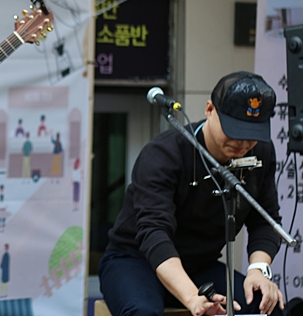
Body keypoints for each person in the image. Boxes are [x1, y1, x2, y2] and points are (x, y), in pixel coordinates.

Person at [98, 72, 284, 316]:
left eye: (252, 135)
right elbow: (154, 233)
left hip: (200, 266)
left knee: (265, 306)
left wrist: (258, 270)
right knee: (142, 311)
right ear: (209, 109)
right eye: (234, 129)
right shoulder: (164, 154)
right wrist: (191, 297)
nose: (242, 143)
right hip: (134, 260)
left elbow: (265, 220)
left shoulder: (261, 153)